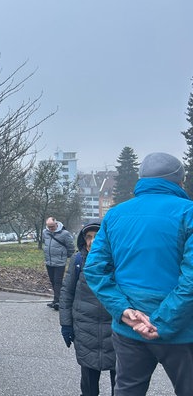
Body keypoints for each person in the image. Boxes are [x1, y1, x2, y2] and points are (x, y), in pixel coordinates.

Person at [84, 152, 193, 395]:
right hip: (183, 329)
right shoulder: (189, 213)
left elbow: (94, 269)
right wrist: (160, 322)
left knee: (127, 389)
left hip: (129, 327)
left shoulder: (114, 214)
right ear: (180, 181)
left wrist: (123, 311)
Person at [59, 222, 116, 396]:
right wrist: (66, 324)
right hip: (85, 330)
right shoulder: (78, 261)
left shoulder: (118, 262)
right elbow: (67, 294)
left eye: (97, 237)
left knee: (122, 383)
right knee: (89, 385)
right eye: (88, 237)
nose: (91, 242)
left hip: (114, 330)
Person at [43, 216, 75, 310]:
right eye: (49, 227)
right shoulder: (45, 232)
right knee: (53, 281)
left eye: (52, 226)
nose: (51, 229)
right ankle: (56, 299)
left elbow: (71, 247)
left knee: (58, 282)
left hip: (60, 262)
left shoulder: (65, 234)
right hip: (49, 261)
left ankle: (58, 302)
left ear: (56, 223)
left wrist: (65, 256)